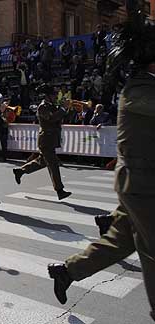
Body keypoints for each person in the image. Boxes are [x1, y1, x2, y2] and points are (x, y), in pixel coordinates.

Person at [48, 7, 155, 320]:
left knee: (119, 242)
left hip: (141, 184)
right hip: (142, 186)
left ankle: (66, 272)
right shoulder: (138, 89)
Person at [13, 84, 72, 200]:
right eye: (54, 95)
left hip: (51, 139)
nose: (56, 97)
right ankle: (59, 190)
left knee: (42, 162)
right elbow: (51, 118)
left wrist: (66, 108)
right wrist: (63, 108)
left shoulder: (52, 106)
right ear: (48, 96)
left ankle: (20, 171)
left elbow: (60, 117)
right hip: (46, 140)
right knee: (53, 164)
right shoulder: (42, 107)